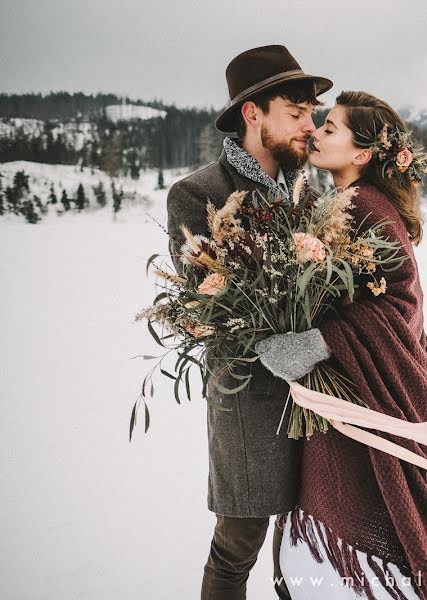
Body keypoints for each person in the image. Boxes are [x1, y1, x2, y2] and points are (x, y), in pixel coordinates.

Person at [254, 91, 427, 599]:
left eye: (331, 128)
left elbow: (398, 303)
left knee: (371, 498)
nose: (317, 133)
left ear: (362, 154)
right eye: (320, 124)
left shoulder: (367, 206)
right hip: (344, 386)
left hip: (364, 389)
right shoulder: (334, 200)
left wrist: (316, 341)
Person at [165, 44, 332, 599]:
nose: (312, 126)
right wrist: (303, 353)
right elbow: (212, 308)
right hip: (248, 403)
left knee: (304, 547)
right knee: (239, 545)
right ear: (252, 113)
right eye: (297, 112)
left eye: (313, 113)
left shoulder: (305, 190)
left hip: (315, 403)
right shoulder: (197, 194)